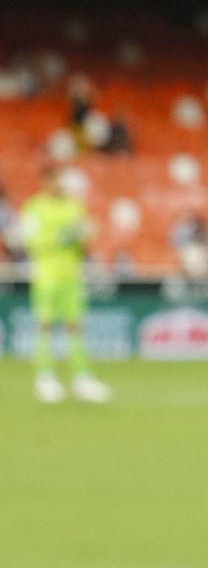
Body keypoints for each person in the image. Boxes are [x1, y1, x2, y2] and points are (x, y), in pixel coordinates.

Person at [20, 167, 111, 403]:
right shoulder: (34, 207)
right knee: (45, 325)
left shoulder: (74, 205)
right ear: (45, 182)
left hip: (72, 276)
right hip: (46, 276)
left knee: (75, 326)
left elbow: (85, 235)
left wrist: (89, 232)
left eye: (60, 181)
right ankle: (45, 378)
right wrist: (63, 237)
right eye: (54, 181)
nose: (59, 185)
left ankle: (82, 379)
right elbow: (31, 242)